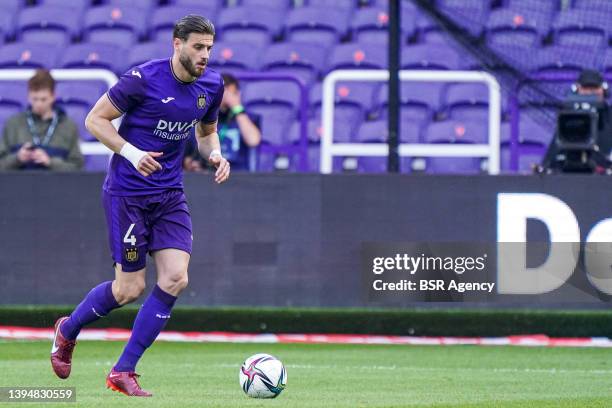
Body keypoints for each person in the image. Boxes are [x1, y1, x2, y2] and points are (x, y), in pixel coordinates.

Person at [49, 15, 230, 397]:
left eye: (209, 48)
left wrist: (215, 155)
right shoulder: (143, 79)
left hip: (170, 195)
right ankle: (68, 330)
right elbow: (95, 120)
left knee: (176, 278)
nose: (205, 56)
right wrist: (131, 152)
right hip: (128, 195)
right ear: (177, 44)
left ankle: (123, 370)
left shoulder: (211, 85)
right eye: (198, 47)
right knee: (129, 288)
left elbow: (206, 134)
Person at [0, 69, 83, 170]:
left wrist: (50, 162)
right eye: (34, 99)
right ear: (28, 96)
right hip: (19, 184)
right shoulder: (13, 124)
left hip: (56, 184)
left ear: (53, 96)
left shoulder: (68, 126)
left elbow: (78, 169)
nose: (39, 104)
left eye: (43, 99)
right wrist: (18, 158)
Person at [183, 73, 261, 172]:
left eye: (231, 93)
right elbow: (187, 158)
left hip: (238, 175)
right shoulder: (199, 118)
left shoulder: (247, 118)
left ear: (238, 94)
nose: (226, 97)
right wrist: (192, 166)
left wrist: (237, 108)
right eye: (223, 92)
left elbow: (253, 141)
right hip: (207, 176)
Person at [540, 69, 612, 172]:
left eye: (594, 88)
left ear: (603, 90)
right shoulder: (568, 117)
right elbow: (552, 158)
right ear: (577, 90)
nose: (590, 92)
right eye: (586, 88)